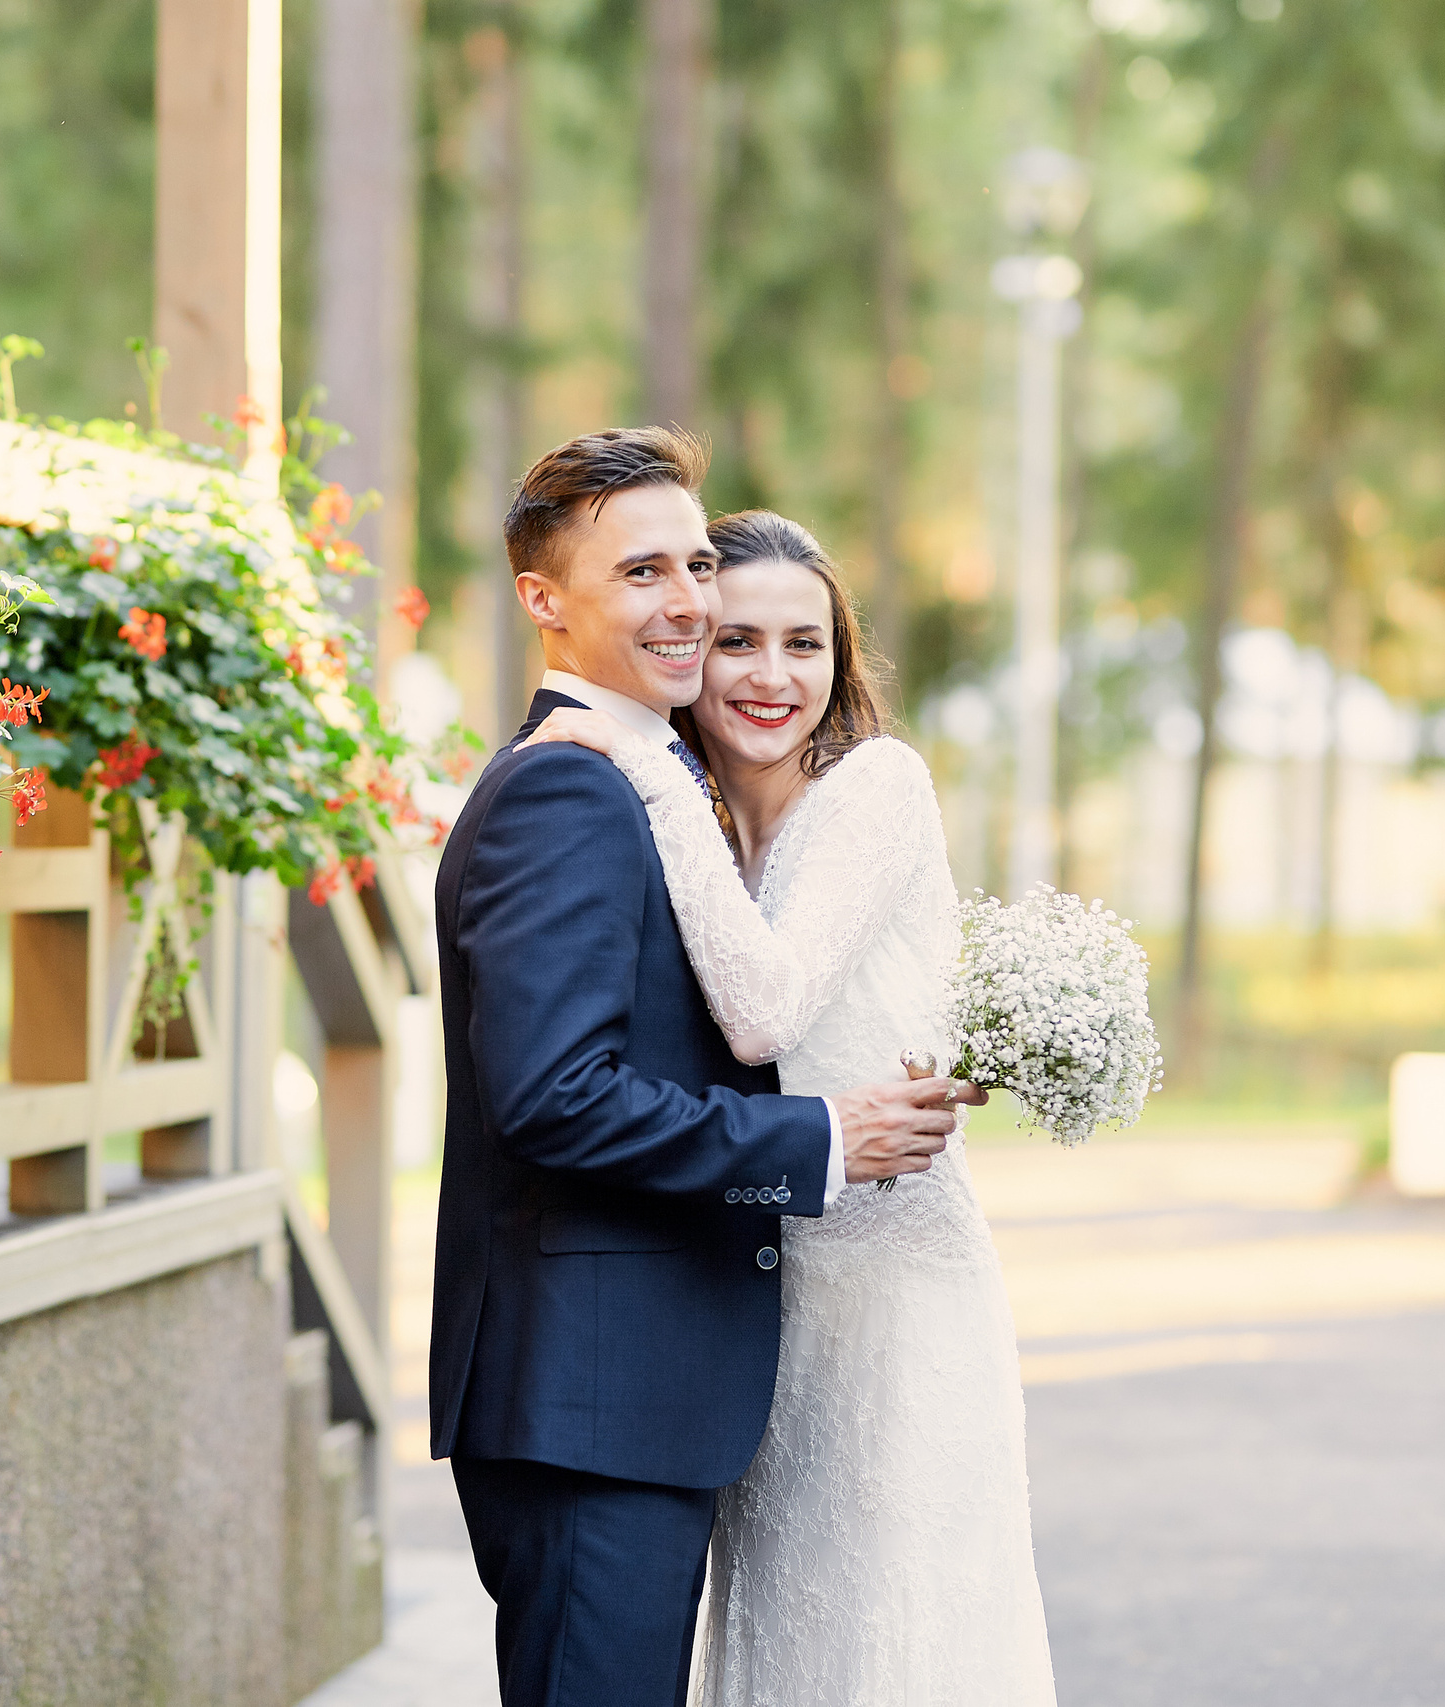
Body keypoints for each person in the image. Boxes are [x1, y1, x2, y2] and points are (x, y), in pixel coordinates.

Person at [431, 430, 975, 1707]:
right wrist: (823, 1143)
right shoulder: (569, 790)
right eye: (639, 573)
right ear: (544, 601)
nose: (684, 600)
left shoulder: (666, 777)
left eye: (692, 564)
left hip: (633, 1396)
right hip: (588, 1402)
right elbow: (555, 1097)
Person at [524, 508, 1058, 1705]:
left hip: (891, 1290)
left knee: (896, 1631)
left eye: (805, 646)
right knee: (783, 1637)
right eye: (739, 643)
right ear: (690, 651)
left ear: (842, 659)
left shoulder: (873, 786)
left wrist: (655, 782)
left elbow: (762, 1016)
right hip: (759, 1301)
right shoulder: (704, 819)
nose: (773, 677)